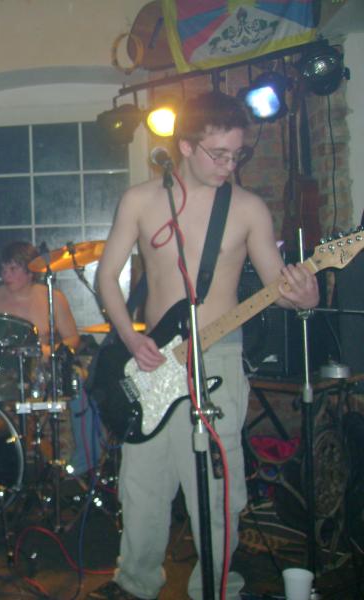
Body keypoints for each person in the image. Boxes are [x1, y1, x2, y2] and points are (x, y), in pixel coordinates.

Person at [92, 91, 318, 600]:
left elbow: (277, 286)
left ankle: (217, 588)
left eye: (237, 155)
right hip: (154, 356)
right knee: (143, 483)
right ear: (186, 146)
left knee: (217, 489)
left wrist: (304, 297)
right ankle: (135, 583)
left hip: (219, 357)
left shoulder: (247, 208)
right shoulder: (140, 200)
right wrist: (131, 337)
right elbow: (107, 277)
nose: (229, 165)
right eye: (218, 154)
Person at [0, 242, 98, 474]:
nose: (6, 275)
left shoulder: (53, 298)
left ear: (31, 271)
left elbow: (72, 338)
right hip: (1, 375)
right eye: (4, 269)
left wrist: (49, 350)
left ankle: (75, 463)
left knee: (78, 380)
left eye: (13, 269)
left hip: (41, 372)